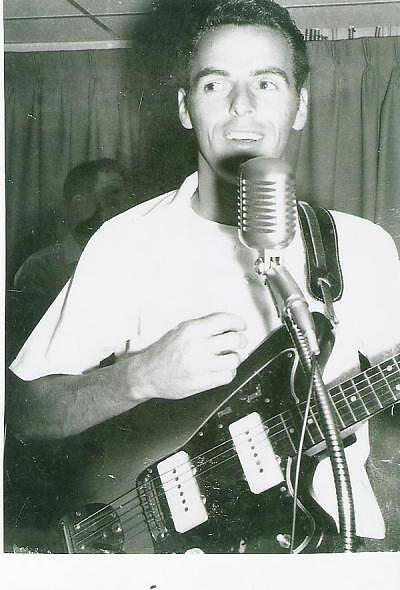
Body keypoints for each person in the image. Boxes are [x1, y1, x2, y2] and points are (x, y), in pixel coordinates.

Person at [8, 0, 400, 553]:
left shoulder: (361, 246)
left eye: (267, 83)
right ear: (186, 108)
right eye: (215, 84)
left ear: (301, 106)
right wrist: (136, 378)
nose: (242, 105)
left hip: (328, 550)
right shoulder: (126, 242)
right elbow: (25, 410)